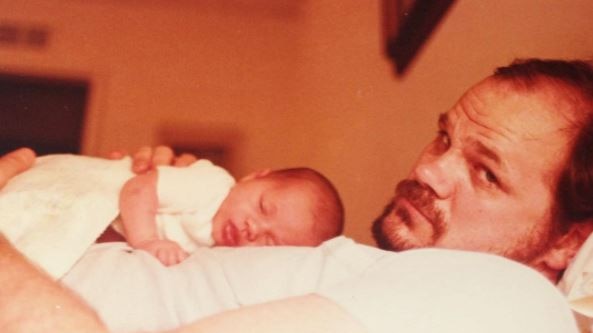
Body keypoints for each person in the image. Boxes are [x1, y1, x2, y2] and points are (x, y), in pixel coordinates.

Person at [2, 57, 592, 332]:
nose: (431, 171)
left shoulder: (513, 303)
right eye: (444, 137)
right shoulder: (398, 281)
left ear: (569, 241)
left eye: (486, 173)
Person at [0, 152, 343, 273]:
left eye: (271, 243)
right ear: (255, 177)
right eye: (264, 207)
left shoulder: (217, 253)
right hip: (84, 185)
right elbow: (138, 189)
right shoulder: (212, 187)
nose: (254, 229)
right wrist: (146, 240)